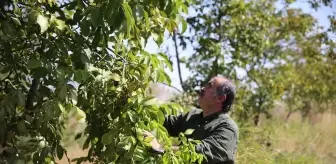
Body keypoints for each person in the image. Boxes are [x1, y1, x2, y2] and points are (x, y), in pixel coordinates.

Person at [143, 76, 239, 164]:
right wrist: (141, 111)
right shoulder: (193, 115)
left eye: (209, 86)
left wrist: (160, 148)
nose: (202, 88)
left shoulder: (228, 128)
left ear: (220, 98)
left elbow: (201, 151)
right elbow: (166, 122)